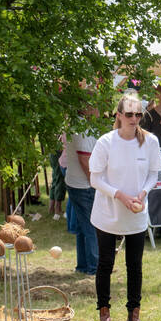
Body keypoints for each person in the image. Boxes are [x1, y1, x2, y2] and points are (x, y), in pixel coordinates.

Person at [89, 93, 161, 321]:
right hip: (108, 213)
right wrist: (119, 195)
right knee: (105, 264)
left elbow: (153, 174)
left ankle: (134, 314)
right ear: (118, 115)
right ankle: (104, 313)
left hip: (136, 213)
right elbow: (95, 179)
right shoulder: (105, 142)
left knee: (135, 265)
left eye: (138, 114)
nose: (134, 118)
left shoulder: (150, 141)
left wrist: (142, 194)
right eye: (129, 114)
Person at [62, 113, 100, 275]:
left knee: (83, 226)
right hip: (84, 184)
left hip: (76, 181)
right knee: (92, 226)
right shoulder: (82, 128)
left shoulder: (76, 125)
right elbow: (84, 158)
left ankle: (84, 265)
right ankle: (95, 267)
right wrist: (94, 182)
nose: (99, 110)